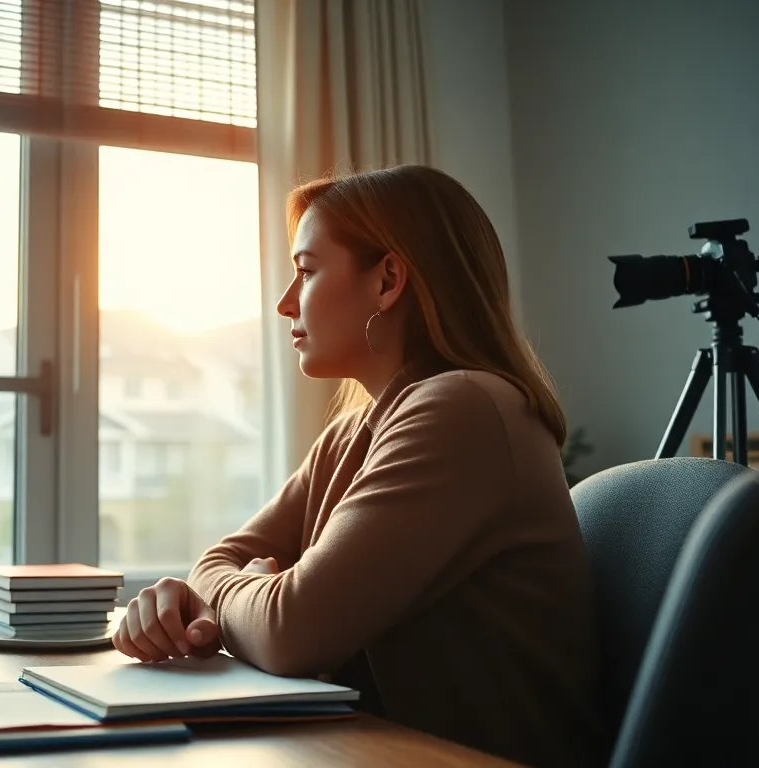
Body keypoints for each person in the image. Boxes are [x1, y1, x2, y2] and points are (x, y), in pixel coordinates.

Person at [111, 165, 606, 768]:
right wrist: (229, 599)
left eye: (307, 270)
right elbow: (217, 562)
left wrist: (227, 600)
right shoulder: (351, 432)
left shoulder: (464, 409)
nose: (284, 301)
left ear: (388, 280)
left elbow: (291, 629)